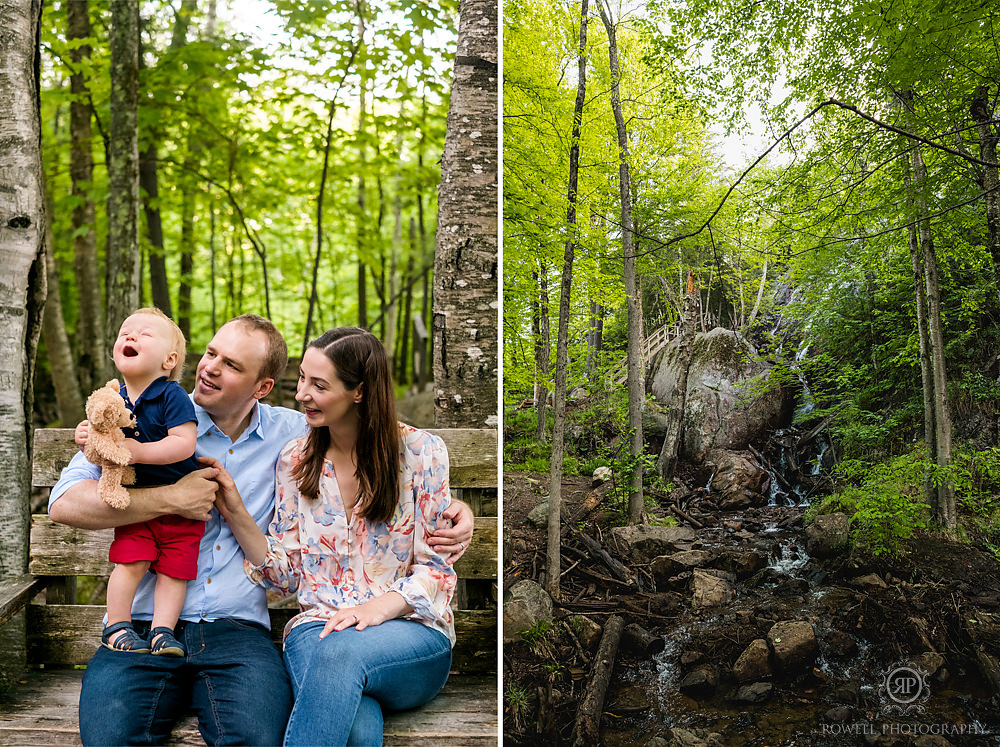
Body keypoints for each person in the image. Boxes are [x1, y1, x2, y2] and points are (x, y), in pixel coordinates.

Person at [48, 314, 474, 747]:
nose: (210, 367)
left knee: (258, 736)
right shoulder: (147, 416)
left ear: (262, 387)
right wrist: (171, 498)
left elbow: (385, 461)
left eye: (231, 364)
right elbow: (63, 503)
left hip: (237, 632)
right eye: (210, 353)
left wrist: (455, 510)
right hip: (142, 623)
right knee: (110, 737)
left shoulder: (295, 435)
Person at [214, 327, 455, 747]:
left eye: (318, 385)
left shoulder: (421, 453)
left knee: (340, 653)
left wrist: (378, 608)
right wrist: (235, 510)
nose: (301, 393)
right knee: (359, 727)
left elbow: (437, 571)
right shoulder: (296, 459)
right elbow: (285, 579)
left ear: (359, 392)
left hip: (410, 635)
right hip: (318, 627)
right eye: (303, 378)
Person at [75, 308, 201, 657]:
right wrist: (84, 435)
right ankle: (116, 626)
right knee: (130, 562)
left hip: (184, 505)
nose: (129, 337)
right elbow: (99, 441)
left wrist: (139, 452)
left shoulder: (171, 395)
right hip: (135, 505)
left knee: (175, 571)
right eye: (125, 333)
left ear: (168, 360)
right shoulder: (112, 398)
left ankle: (163, 631)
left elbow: (183, 443)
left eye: (144, 334)